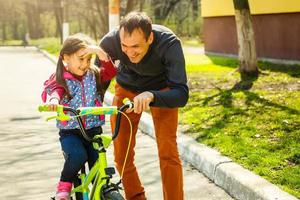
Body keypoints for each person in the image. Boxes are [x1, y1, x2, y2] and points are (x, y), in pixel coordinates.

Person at [95, 11, 189, 200]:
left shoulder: (169, 44)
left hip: (162, 91)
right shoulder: (109, 43)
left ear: (150, 38)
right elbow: (98, 85)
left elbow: (181, 94)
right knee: (121, 155)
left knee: (168, 152)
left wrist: (152, 95)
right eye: (125, 46)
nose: (129, 52)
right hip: (126, 88)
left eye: (136, 46)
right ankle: (136, 197)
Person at [41, 33, 117, 200]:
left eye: (88, 59)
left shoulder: (94, 74)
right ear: (66, 58)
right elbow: (56, 92)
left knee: (98, 163)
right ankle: (63, 188)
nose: (85, 64)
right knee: (77, 156)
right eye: (81, 59)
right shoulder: (62, 79)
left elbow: (111, 71)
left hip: (93, 129)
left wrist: (99, 52)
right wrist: (54, 100)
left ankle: (102, 193)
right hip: (71, 132)